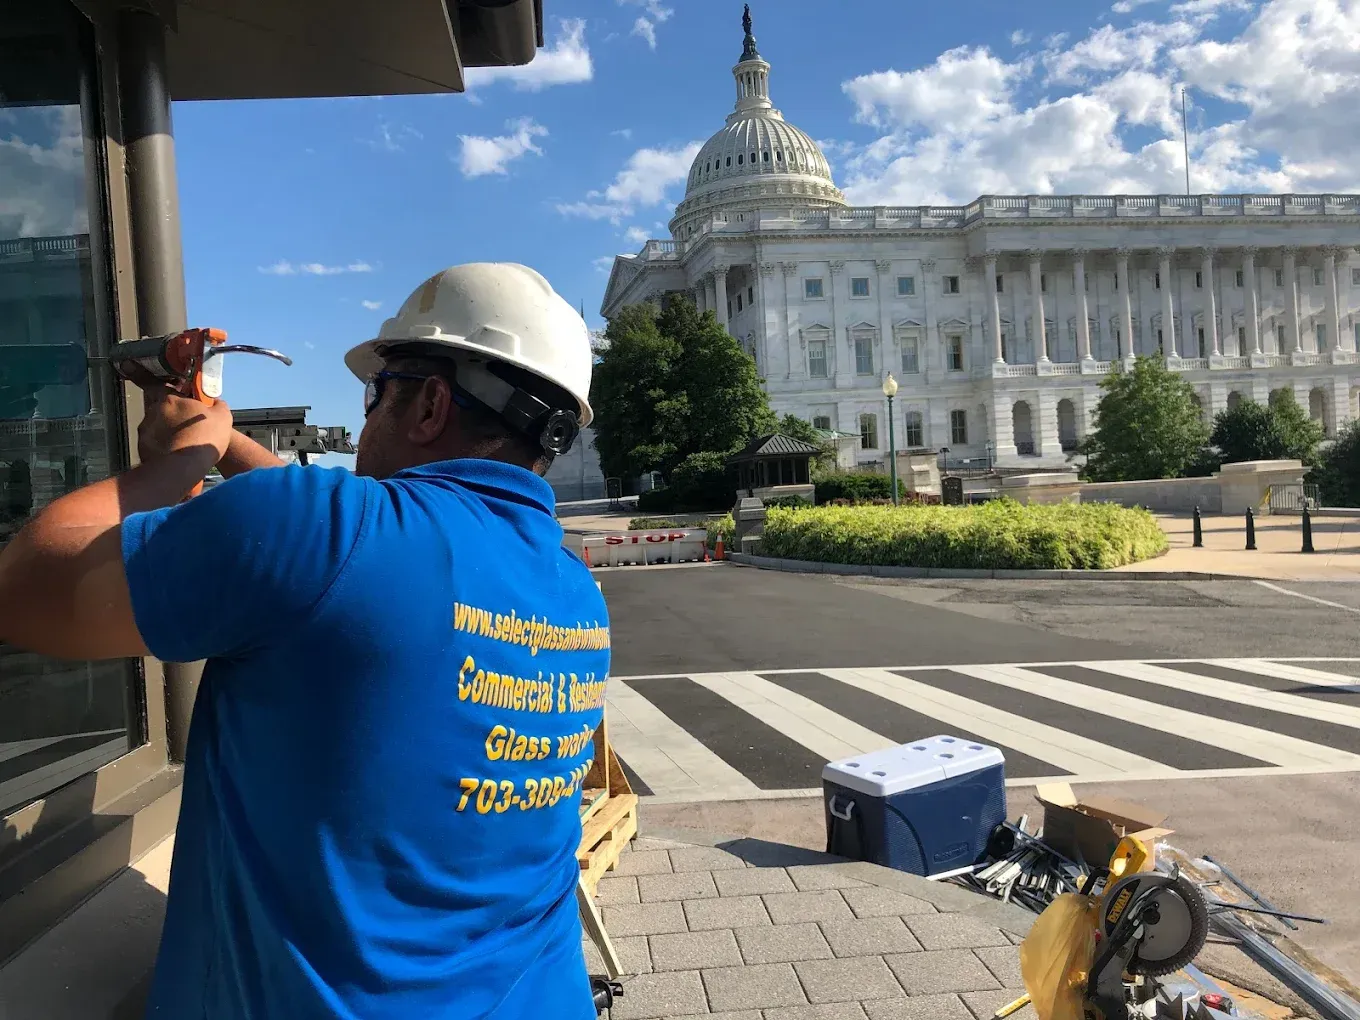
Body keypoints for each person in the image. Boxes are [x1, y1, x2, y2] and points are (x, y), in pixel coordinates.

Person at [0, 263, 609, 1019]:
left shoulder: (318, 534)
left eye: (375, 393)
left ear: (428, 403)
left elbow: (24, 586)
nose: (364, 421)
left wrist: (181, 457)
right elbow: (347, 549)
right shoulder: (572, 587)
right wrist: (223, 444)